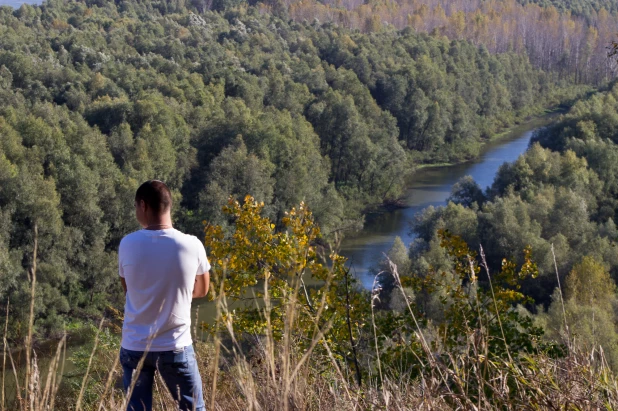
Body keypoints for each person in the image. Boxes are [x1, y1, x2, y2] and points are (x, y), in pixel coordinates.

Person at [118, 180, 210, 411]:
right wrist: (175, 291)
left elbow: (129, 289)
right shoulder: (192, 244)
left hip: (135, 345)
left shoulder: (127, 244)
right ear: (168, 205)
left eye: (136, 207)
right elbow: (202, 290)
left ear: (143, 205)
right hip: (175, 345)